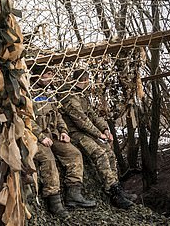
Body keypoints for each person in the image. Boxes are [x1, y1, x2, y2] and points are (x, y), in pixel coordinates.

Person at [60, 68, 134, 209]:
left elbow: (93, 115)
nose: (88, 83)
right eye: (86, 80)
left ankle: (117, 188)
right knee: (99, 153)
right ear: (83, 80)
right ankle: (114, 193)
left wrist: (105, 129)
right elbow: (81, 120)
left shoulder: (82, 95)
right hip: (75, 133)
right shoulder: (68, 96)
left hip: (86, 132)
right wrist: (98, 134)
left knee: (109, 153)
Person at [31, 68, 96, 219]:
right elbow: (26, 118)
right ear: (38, 75)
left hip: (53, 135)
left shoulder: (50, 92)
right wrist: (40, 136)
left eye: (51, 75)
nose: (50, 78)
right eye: (47, 74)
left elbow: (58, 115)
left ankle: (74, 194)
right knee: (48, 160)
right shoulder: (28, 92)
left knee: (74, 154)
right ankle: (54, 202)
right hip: (36, 137)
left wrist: (64, 131)